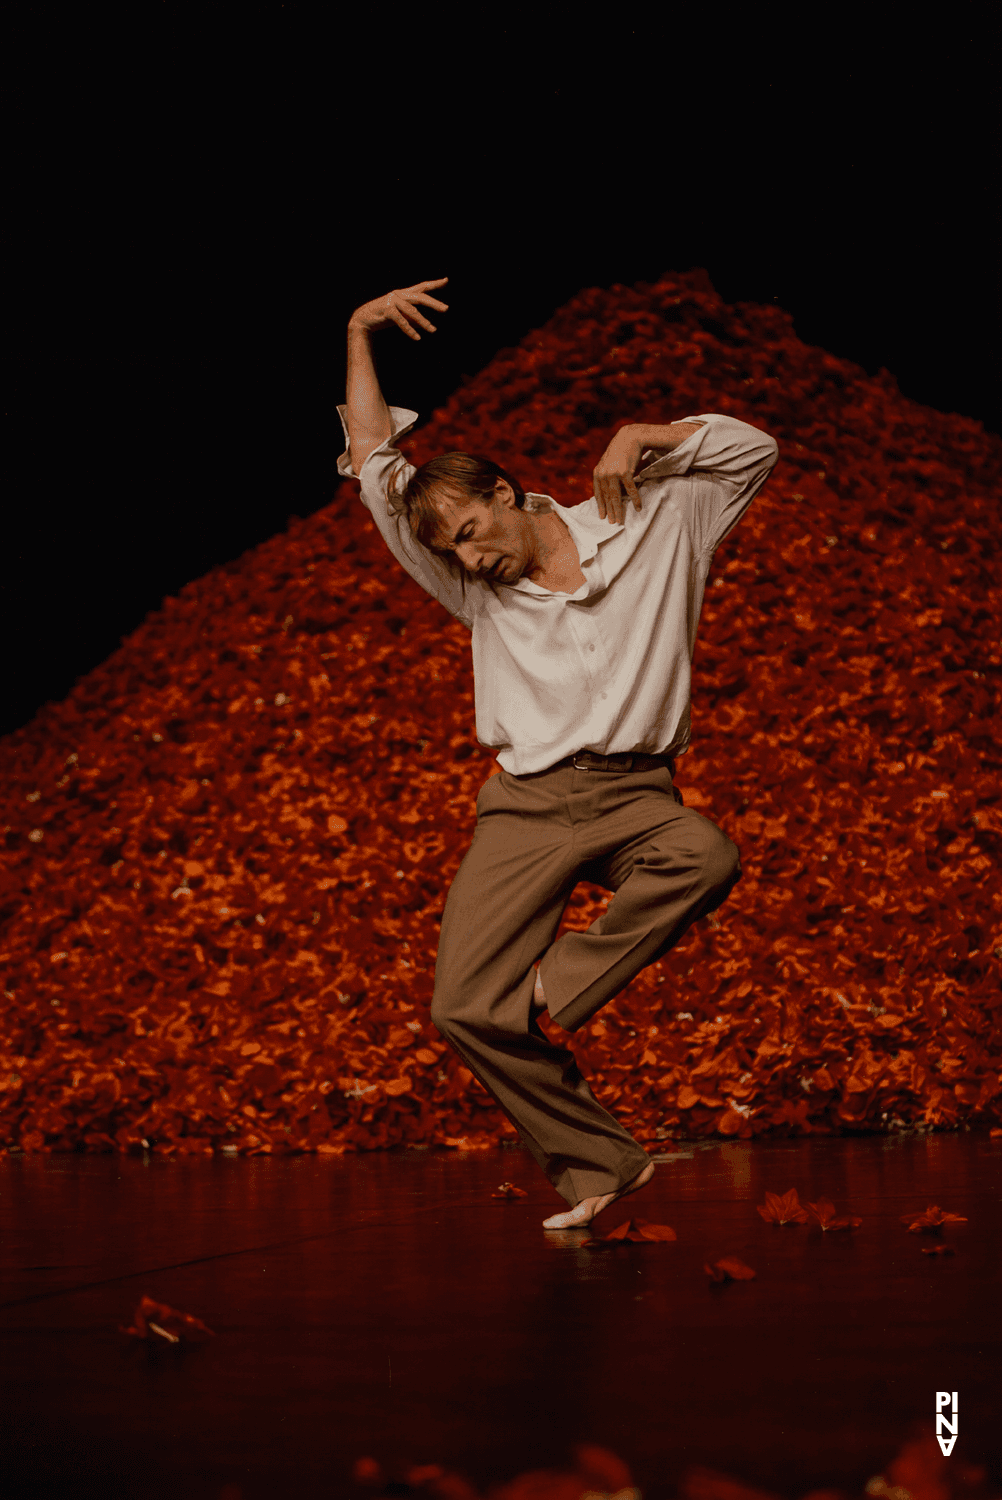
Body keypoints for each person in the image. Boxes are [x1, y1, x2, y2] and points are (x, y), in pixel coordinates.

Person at [339, 277, 779, 1229]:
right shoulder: (475, 588)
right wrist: (359, 333)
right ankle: (598, 1163)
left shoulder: (657, 519)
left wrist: (648, 432)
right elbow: (376, 465)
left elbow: (756, 448)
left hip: (635, 795)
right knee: (462, 1006)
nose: (468, 558)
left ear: (504, 493)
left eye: (470, 531)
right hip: (527, 804)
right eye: (450, 552)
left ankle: (562, 981)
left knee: (706, 853)